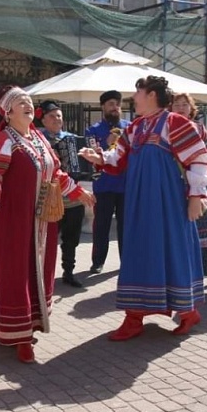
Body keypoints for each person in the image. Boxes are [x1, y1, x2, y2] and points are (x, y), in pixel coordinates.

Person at [80, 76, 207, 340]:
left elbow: (199, 158)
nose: (133, 97)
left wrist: (196, 196)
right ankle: (134, 317)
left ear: (151, 95)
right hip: (139, 200)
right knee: (138, 250)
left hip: (168, 201)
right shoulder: (136, 127)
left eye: (137, 92)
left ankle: (188, 312)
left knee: (171, 249)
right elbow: (118, 157)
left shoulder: (175, 123)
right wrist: (100, 157)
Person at [0, 85, 95, 363]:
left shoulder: (39, 138)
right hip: (13, 221)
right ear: (7, 112)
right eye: (20, 102)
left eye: (29, 100)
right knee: (16, 275)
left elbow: (57, 174)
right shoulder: (2, 140)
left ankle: (15, 327)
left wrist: (79, 192)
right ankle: (21, 337)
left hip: (42, 221)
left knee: (38, 272)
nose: (28, 105)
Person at [37, 100, 85, 288]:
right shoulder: (38, 140)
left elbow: (83, 166)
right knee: (46, 240)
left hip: (73, 199)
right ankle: (42, 274)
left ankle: (69, 272)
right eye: (52, 116)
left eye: (59, 116)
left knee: (72, 239)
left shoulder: (72, 138)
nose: (56, 119)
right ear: (43, 120)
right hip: (50, 199)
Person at [171, 93, 207, 277]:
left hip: (195, 182)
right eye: (176, 104)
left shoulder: (198, 128)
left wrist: (198, 176)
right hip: (173, 183)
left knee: (199, 224)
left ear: (191, 108)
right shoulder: (166, 128)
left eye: (185, 104)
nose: (181, 108)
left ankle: (201, 269)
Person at [85, 90, 129, 274]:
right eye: (111, 104)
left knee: (126, 226)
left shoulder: (129, 127)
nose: (115, 107)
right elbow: (90, 156)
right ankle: (98, 262)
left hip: (126, 185)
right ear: (102, 106)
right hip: (104, 186)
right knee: (101, 225)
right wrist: (106, 142)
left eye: (117, 104)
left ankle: (127, 262)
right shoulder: (93, 130)